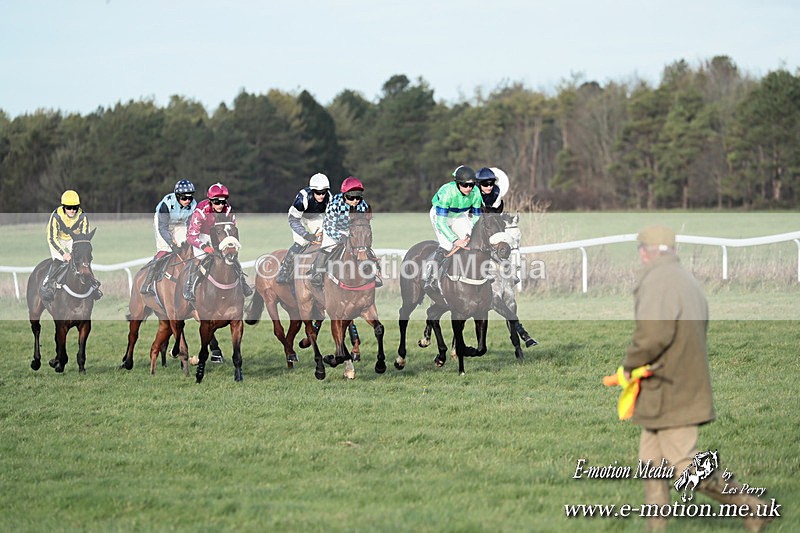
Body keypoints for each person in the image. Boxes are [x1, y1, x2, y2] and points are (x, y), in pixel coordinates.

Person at [621, 225, 771, 532]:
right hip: (669, 387)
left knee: (686, 469)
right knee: (652, 465)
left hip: (672, 390)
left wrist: (628, 365)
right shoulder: (685, 279)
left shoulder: (657, 281)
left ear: (645, 252)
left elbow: (652, 335)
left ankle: (753, 506)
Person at [183, 182, 253, 303]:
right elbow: (191, 236)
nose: (220, 205)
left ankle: (243, 283)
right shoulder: (201, 210)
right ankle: (189, 286)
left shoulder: (228, 209)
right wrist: (205, 247)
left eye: (223, 202)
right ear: (210, 201)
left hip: (220, 236)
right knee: (198, 260)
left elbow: (232, 228)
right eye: (217, 202)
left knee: (232, 257)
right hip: (202, 236)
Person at [422, 165, 482, 294]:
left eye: (471, 185)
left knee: (472, 241)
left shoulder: (476, 192)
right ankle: (431, 277)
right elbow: (441, 223)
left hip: (458, 215)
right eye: (465, 185)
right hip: (440, 216)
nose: (469, 188)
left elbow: (477, 218)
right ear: (457, 183)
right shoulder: (447, 192)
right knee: (447, 245)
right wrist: (455, 240)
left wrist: (474, 233)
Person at [310, 176, 379, 287]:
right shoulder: (334, 204)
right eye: (351, 198)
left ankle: (373, 274)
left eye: (358, 197)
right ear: (344, 195)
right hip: (333, 229)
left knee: (363, 246)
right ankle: (317, 274)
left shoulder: (362, 205)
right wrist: (341, 237)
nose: (355, 201)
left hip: (351, 229)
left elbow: (364, 224)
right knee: (328, 247)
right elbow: (328, 226)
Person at [40, 190, 102, 302]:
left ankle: (93, 284)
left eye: (75, 207)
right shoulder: (56, 216)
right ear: (63, 206)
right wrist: (64, 253)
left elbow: (84, 238)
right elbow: (52, 238)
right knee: (58, 260)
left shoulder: (82, 216)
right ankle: (48, 284)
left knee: (83, 259)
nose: (72, 210)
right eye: (69, 207)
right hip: (57, 239)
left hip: (75, 240)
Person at [141, 179, 197, 296]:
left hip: (180, 223)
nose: (187, 201)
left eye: (190, 197)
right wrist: (172, 244)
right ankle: (148, 283)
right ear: (177, 196)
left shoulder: (193, 204)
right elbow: (163, 228)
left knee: (186, 248)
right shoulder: (165, 205)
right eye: (184, 198)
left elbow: (190, 225)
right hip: (163, 223)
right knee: (165, 250)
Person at [275, 173, 330, 284]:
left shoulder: (329, 197)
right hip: (297, 218)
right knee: (301, 241)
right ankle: (284, 271)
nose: (321, 195)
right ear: (312, 190)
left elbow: (330, 216)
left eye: (323, 192)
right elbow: (293, 220)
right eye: (318, 193)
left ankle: (320, 269)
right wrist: (306, 235)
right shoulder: (303, 199)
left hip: (314, 217)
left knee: (325, 240)